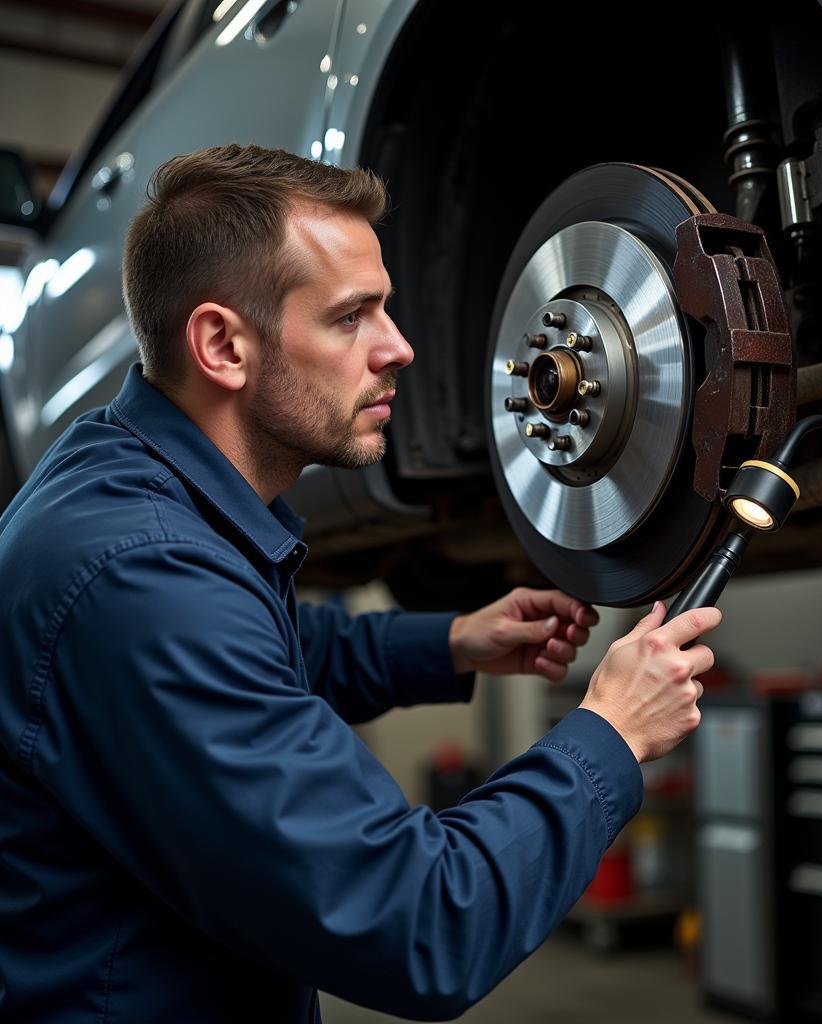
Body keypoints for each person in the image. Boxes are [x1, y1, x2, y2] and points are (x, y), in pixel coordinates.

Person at [0, 144, 719, 1023]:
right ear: (223, 344)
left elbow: (258, 651)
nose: (401, 348)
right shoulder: (140, 578)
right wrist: (610, 735)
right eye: (352, 317)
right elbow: (424, 921)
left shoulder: (122, 477)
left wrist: (451, 643)